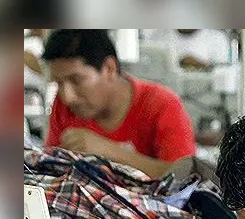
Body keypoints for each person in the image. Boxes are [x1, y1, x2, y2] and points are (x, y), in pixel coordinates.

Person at [42, 29, 196, 178]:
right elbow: (49, 170)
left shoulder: (163, 105)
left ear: (109, 68)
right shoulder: (64, 106)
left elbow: (186, 178)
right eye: (58, 83)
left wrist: (107, 151)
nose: (67, 97)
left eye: (76, 80)